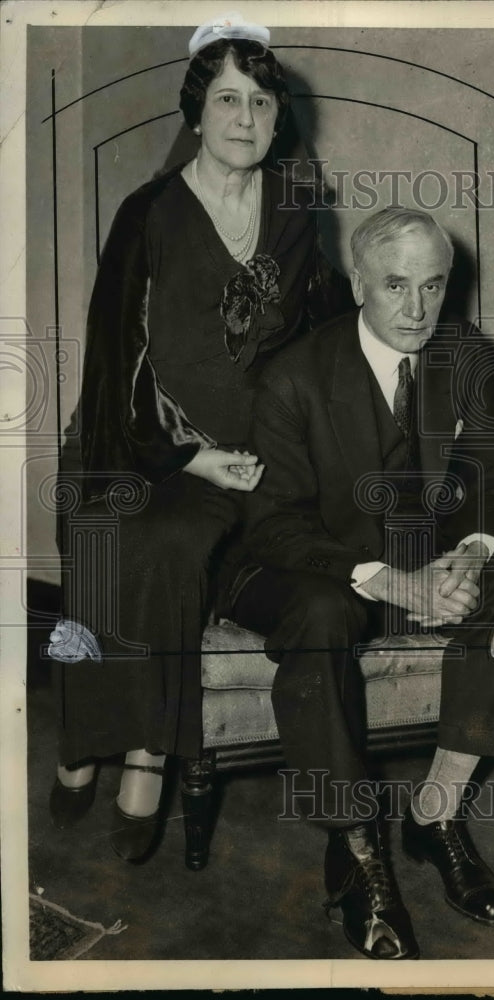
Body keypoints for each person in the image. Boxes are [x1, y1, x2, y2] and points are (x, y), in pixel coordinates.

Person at [228, 206, 494, 960]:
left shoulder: (466, 356)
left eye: (432, 286)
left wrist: (469, 554)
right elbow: (272, 525)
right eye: (395, 286)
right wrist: (387, 581)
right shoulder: (294, 376)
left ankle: (435, 814)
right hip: (304, 564)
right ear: (358, 284)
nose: (416, 309)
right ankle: (354, 845)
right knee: (323, 612)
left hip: (421, 556)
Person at [48, 15, 333, 864]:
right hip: (136, 441)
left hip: (250, 458)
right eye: (227, 100)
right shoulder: (148, 213)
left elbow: (316, 334)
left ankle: (148, 749)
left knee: (183, 545)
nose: (245, 117)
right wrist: (185, 455)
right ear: (197, 113)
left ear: (278, 119)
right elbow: (116, 356)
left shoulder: (295, 211)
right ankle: (90, 739)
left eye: (261, 102)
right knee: (125, 535)